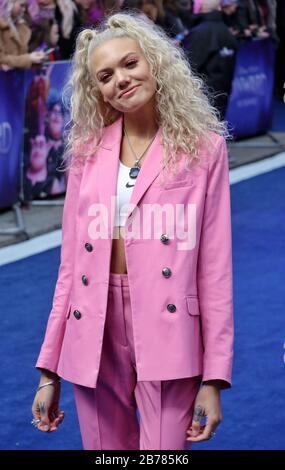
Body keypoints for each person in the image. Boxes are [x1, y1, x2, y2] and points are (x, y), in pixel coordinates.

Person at [31, 12, 234, 450]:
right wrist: (49, 370)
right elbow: (70, 267)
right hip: (94, 326)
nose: (120, 80)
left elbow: (214, 268)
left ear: (155, 63)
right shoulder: (86, 152)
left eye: (130, 64)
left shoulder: (204, 148)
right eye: (105, 75)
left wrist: (214, 377)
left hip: (170, 324)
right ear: (95, 89)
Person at [0, 0, 45, 70]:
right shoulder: (3, 27)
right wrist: (29, 58)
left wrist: (35, 58)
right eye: (21, 5)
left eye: (25, 6)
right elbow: (2, 58)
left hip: (18, 78)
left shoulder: (21, 26)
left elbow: (21, 56)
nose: (24, 10)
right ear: (10, 4)